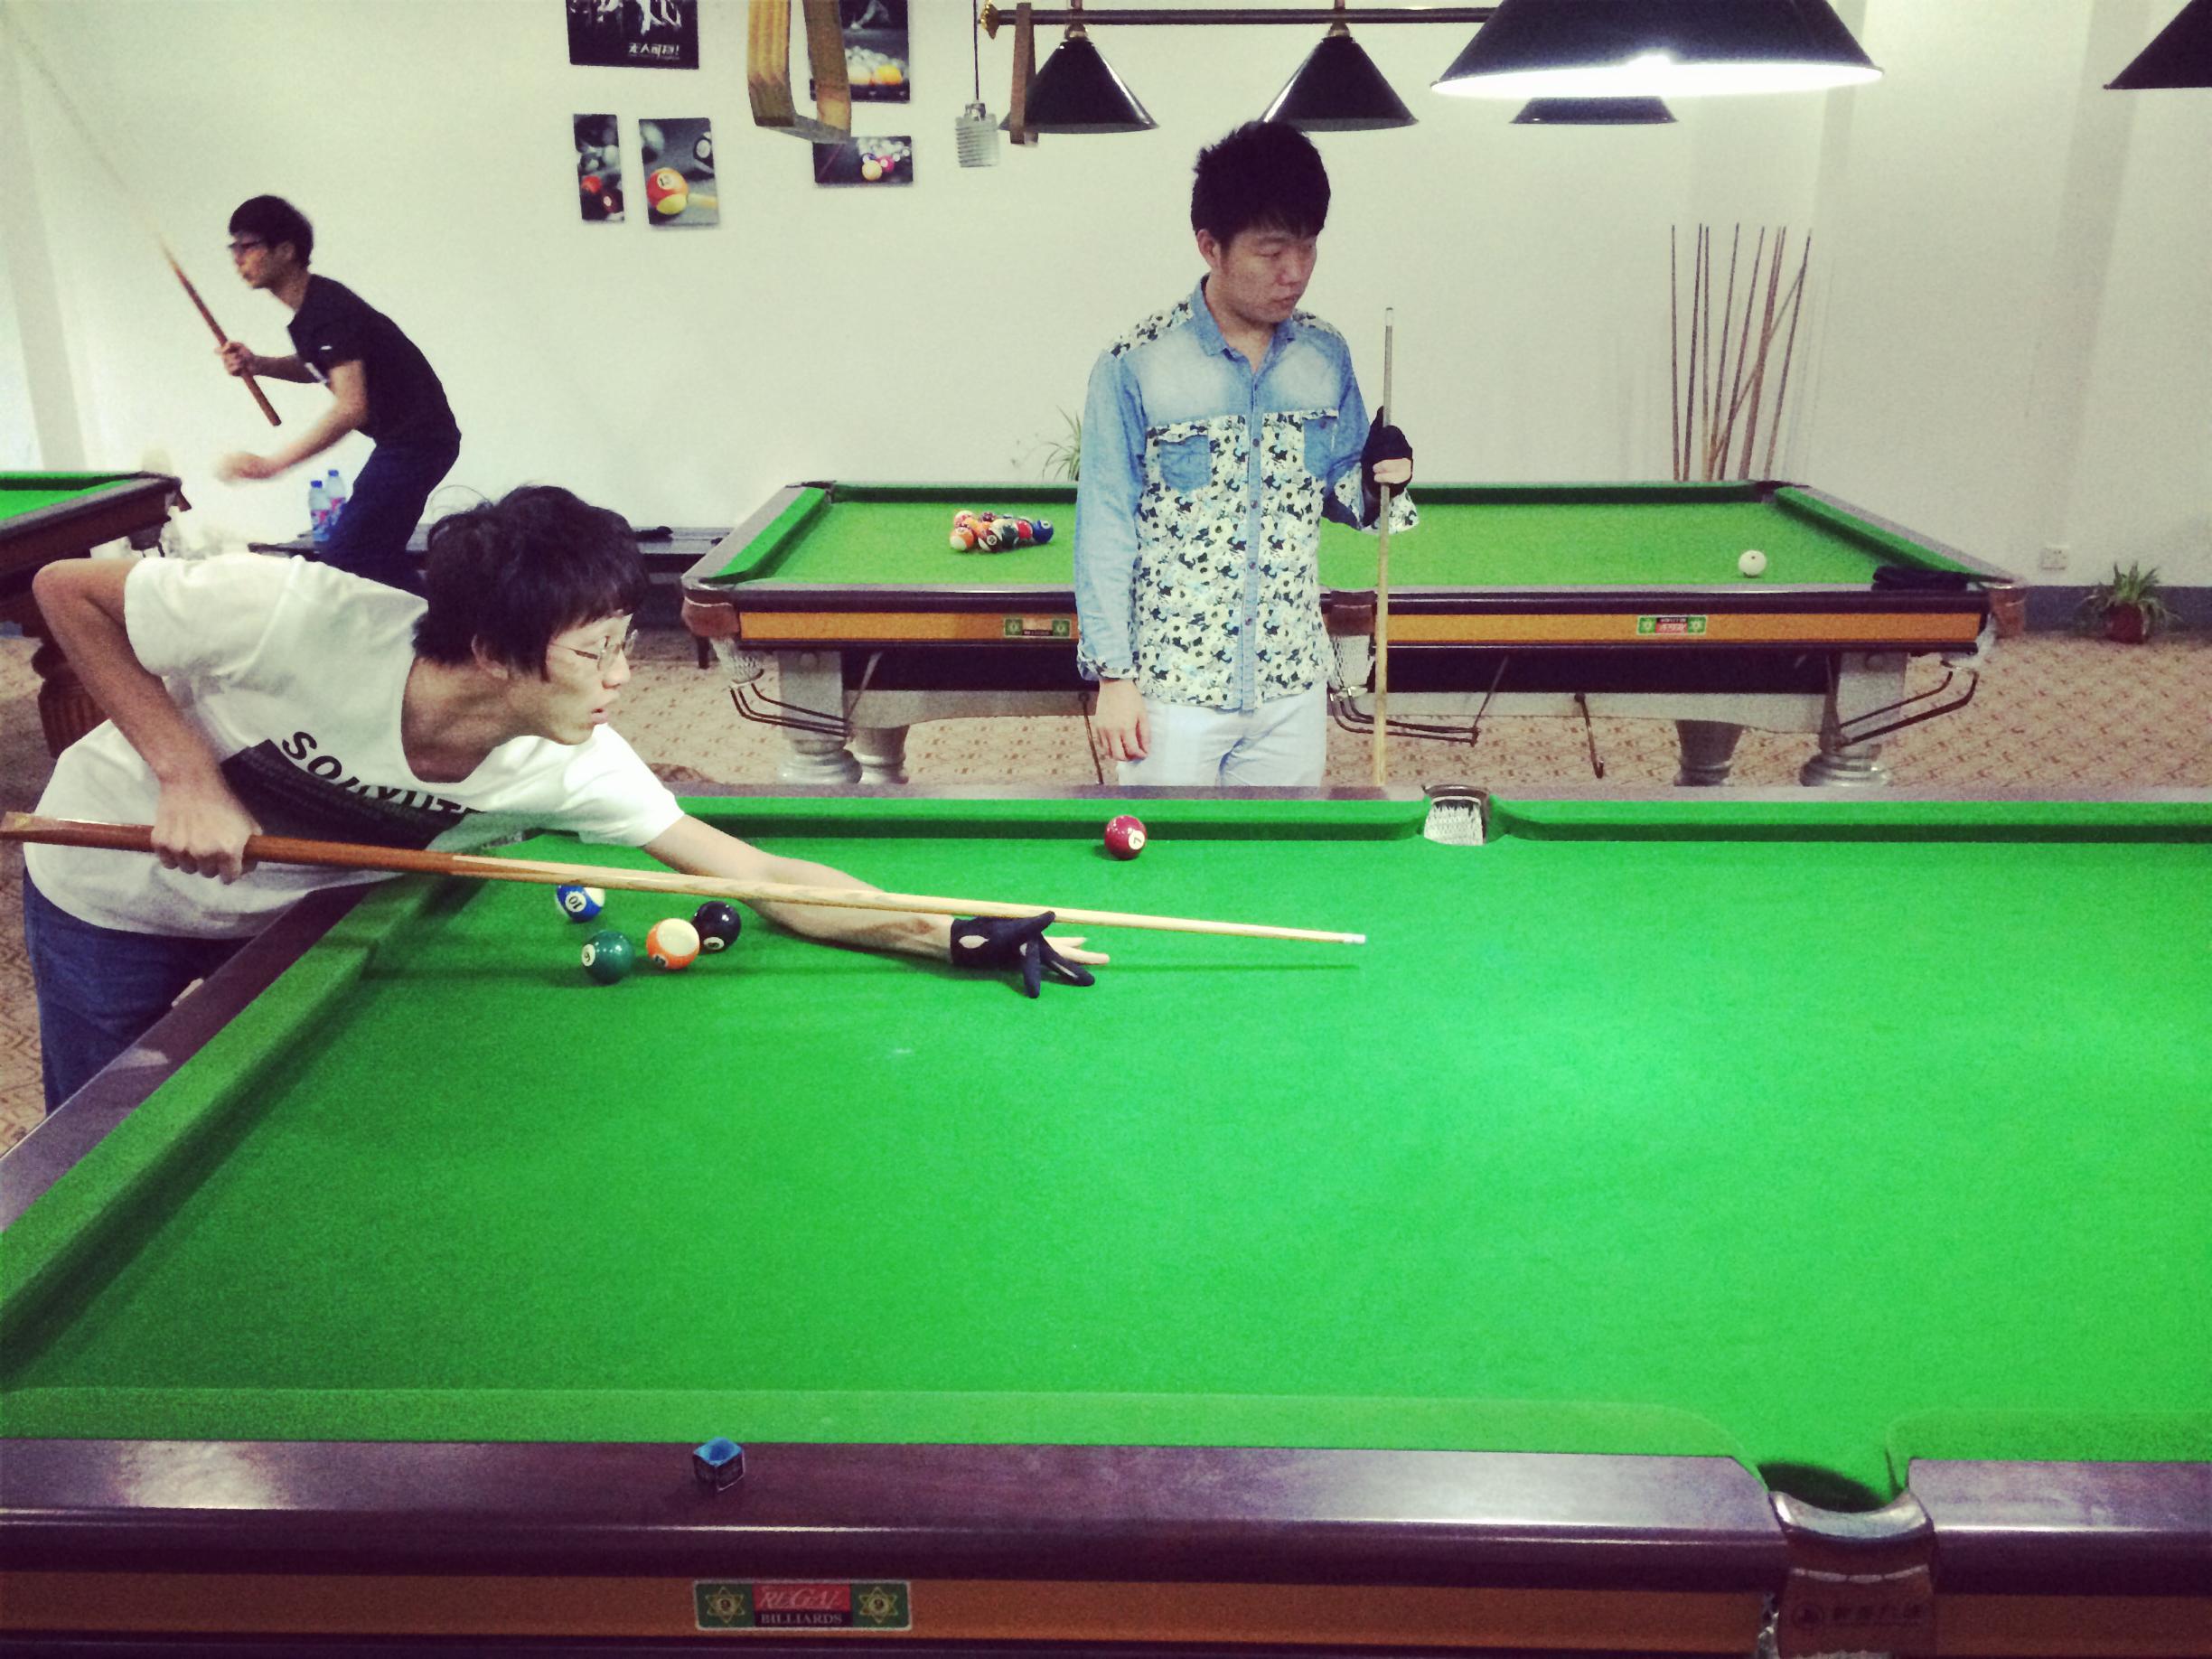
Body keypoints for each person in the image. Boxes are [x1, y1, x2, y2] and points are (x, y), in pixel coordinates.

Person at [23, 487, 1101, 1112]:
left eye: (627, 644)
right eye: (597, 652)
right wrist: (187, 774)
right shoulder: (288, 612)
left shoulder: (571, 763)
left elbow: (765, 877)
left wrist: (946, 929)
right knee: (97, 1130)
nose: (625, 678)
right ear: (493, 651)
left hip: (299, 919)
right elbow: (64, 591)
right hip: (110, 894)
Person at [1073, 121, 1415, 789]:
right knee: (1168, 856)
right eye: (1271, 251)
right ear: (1211, 247)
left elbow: (1344, 492)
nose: (1295, 273)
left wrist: (1383, 478)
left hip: (1291, 682)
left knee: (1279, 856)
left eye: (1308, 248)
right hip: (1174, 688)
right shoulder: (1135, 363)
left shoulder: (1326, 354)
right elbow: (1106, 525)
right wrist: (1115, 676)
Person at [213, 195, 462, 593]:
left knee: (350, 557)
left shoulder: (329, 310)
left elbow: (351, 407)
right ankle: (446, 619)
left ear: (286, 250)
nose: (237, 258)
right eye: (234, 247)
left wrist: (273, 464)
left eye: (248, 245)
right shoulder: (312, 312)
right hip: (409, 441)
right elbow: (319, 366)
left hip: (418, 443)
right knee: (368, 556)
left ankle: (454, 621)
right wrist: (259, 364)